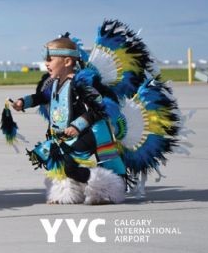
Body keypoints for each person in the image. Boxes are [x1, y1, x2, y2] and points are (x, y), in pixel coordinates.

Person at [11, 35, 127, 205]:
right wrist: (23, 102)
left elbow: (99, 109)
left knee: (69, 165)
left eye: (50, 59)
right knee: (57, 162)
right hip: (64, 135)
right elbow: (40, 97)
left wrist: (77, 125)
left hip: (88, 133)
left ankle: (105, 188)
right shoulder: (54, 84)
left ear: (66, 62)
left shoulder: (80, 83)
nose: (46, 64)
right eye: (46, 60)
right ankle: (65, 195)